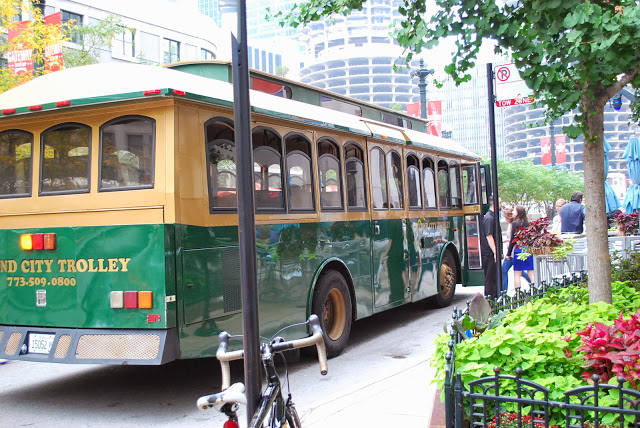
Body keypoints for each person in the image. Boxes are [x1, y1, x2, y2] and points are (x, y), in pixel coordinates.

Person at [501, 205, 530, 292]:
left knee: (510, 271)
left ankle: (505, 292)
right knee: (520, 271)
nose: (505, 219)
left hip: (514, 251)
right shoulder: (523, 223)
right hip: (519, 250)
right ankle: (534, 284)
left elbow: (513, 240)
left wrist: (508, 254)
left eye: (506, 217)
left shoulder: (514, 224)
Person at [480, 196, 502, 298]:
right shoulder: (489, 218)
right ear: (495, 203)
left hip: (492, 253)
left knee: (494, 278)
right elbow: (489, 236)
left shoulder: (492, 217)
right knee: (490, 280)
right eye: (500, 203)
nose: (502, 205)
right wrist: (496, 252)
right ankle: (490, 301)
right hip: (489, 254)